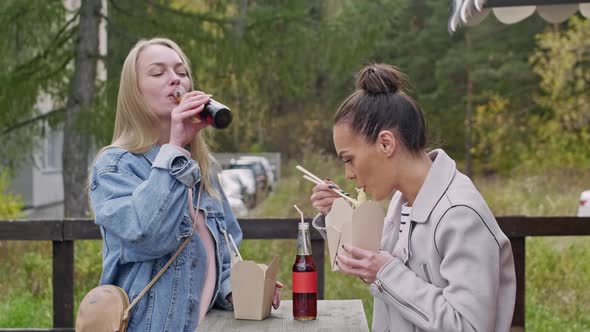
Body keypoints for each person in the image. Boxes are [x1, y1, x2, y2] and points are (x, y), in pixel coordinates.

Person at [88, 38, 280, 332]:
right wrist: (175, 148)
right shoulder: (114, 166)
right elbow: (147, 235)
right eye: (157, 72)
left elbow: (226, 251)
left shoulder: (204, 168)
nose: (175, 78)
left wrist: (240, 288)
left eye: (181, 71)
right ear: (134, 92)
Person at [309, 64, 516, 332]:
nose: (348, 174)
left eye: (349, 159)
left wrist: (386, 273)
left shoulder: (460, 214)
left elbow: (469, 326)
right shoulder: (403, 202)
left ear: (386, 143)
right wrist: (335, 214)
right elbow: (376, 266)